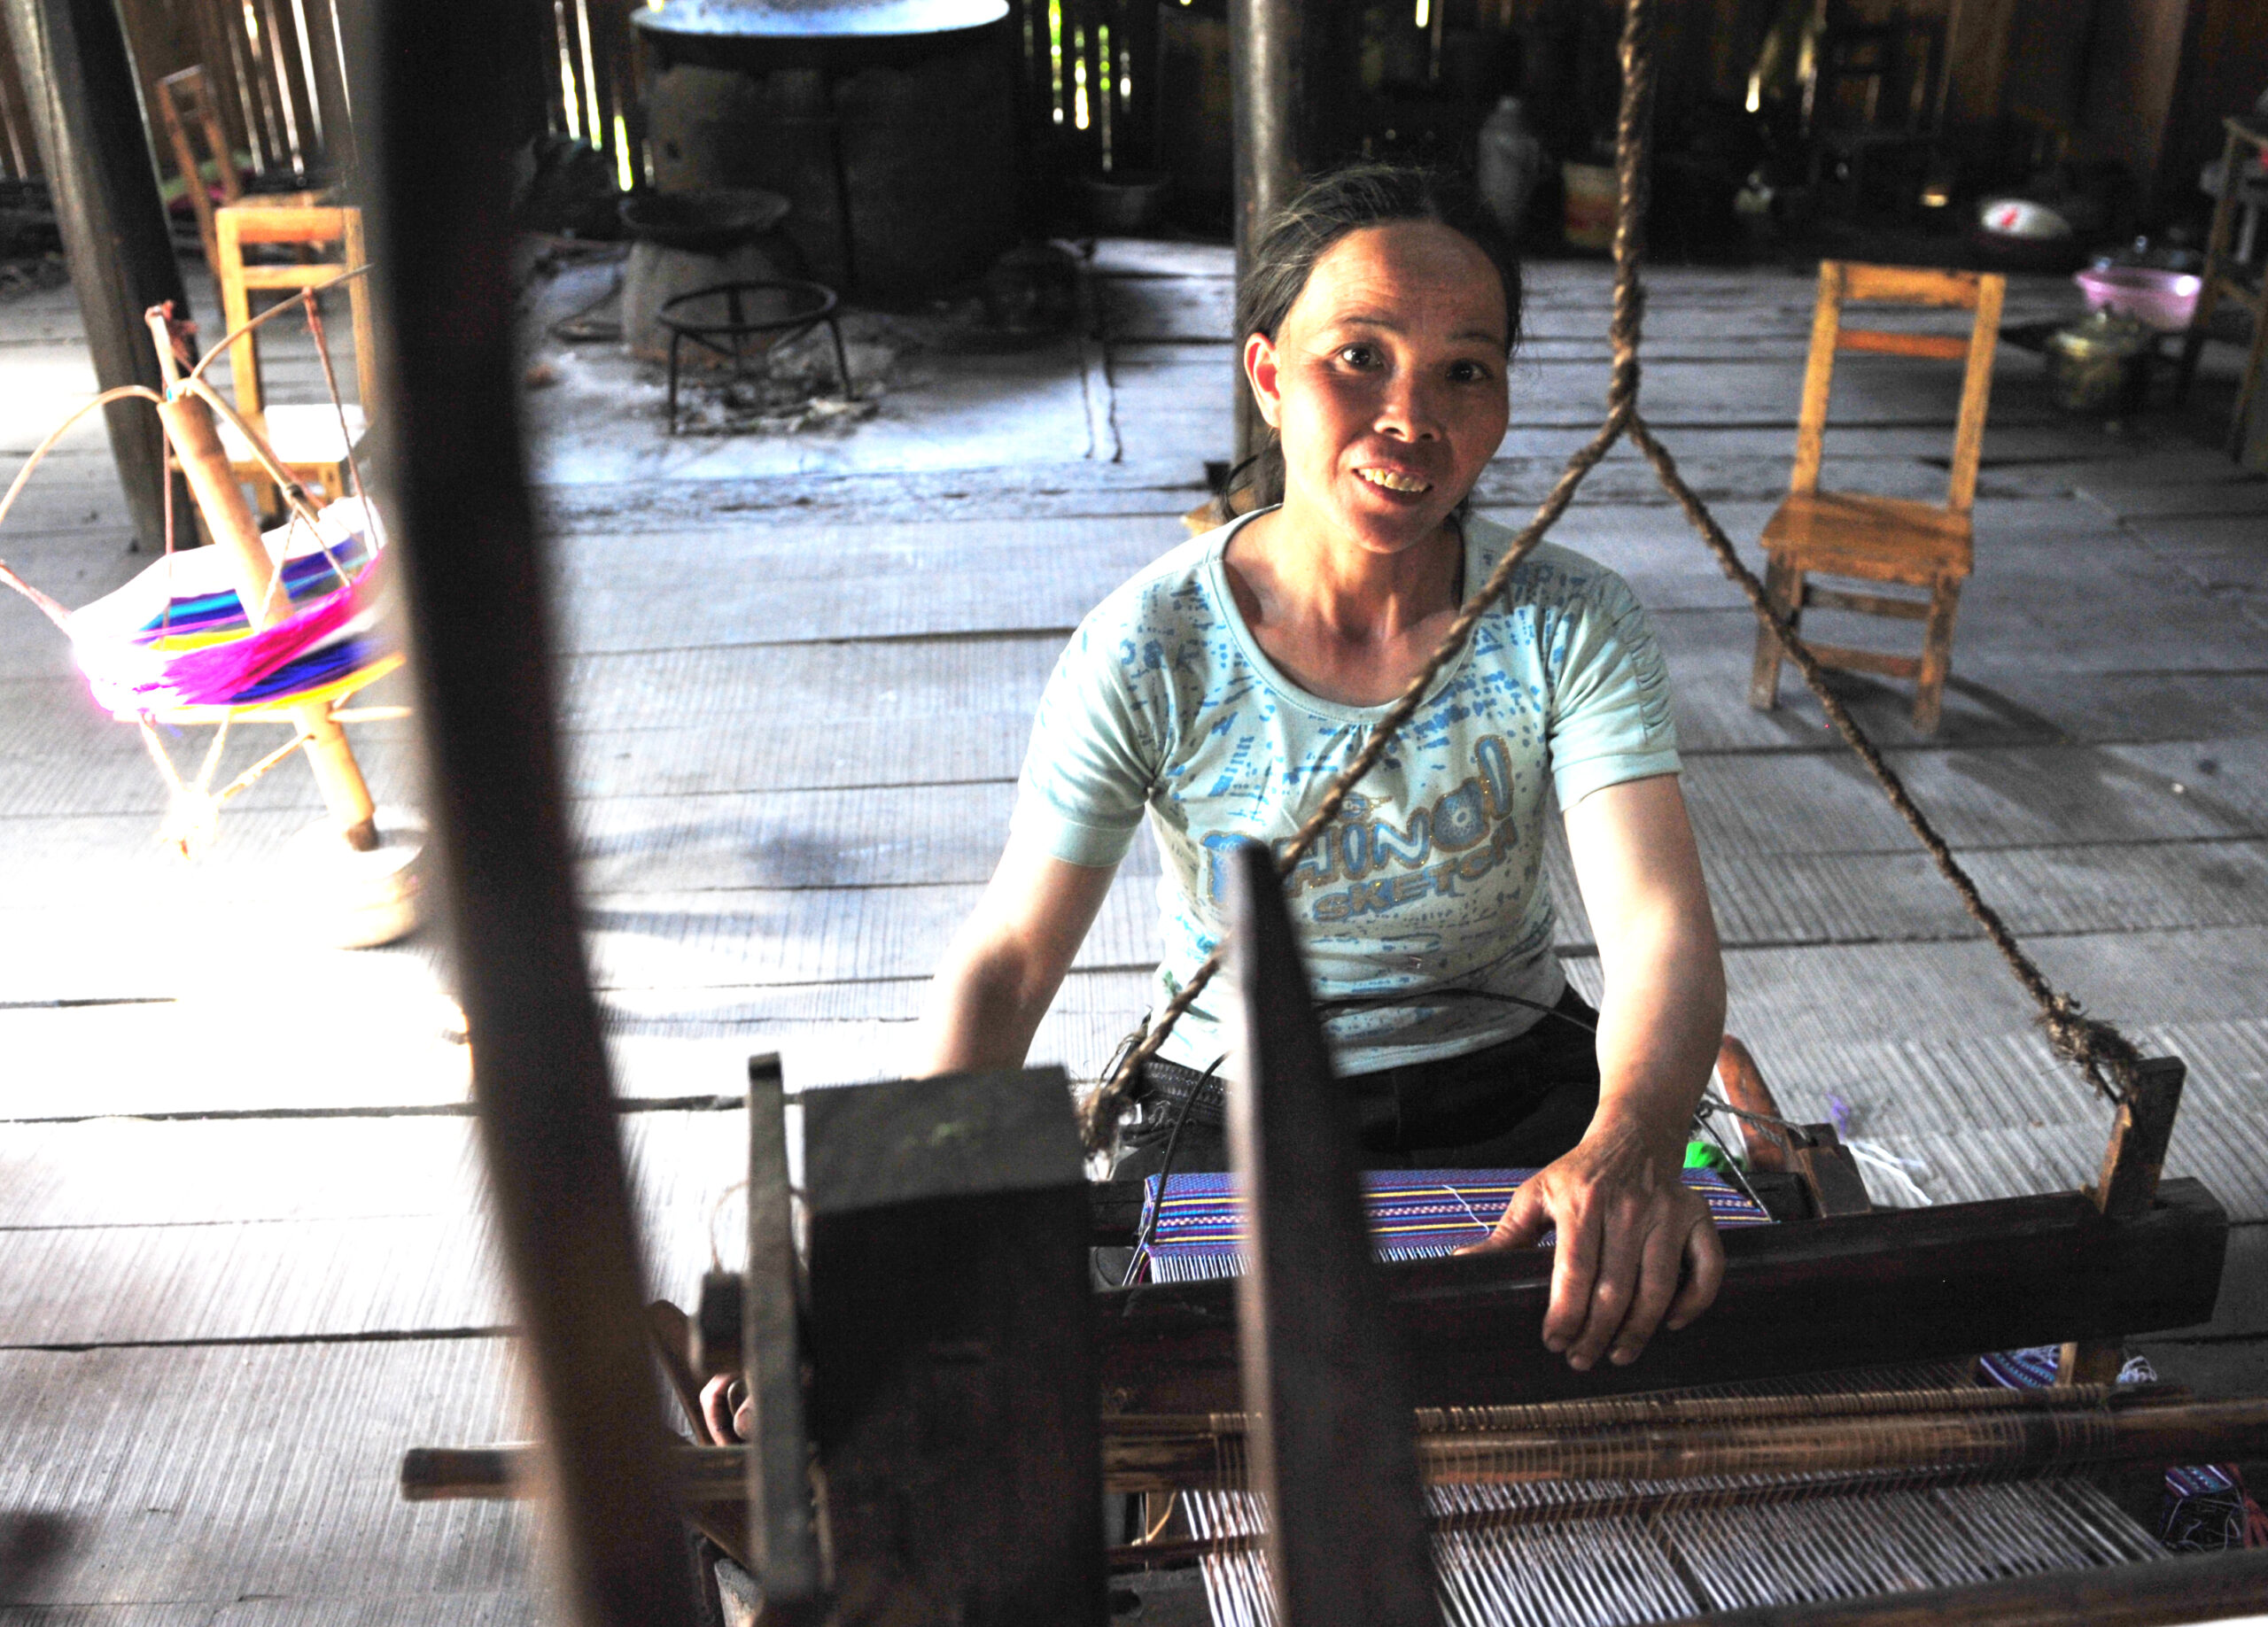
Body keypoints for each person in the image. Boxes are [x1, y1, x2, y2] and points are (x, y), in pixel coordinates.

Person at [913, 163, 1728, 1376]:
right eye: (1361, 356)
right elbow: (1009, 957)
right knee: (1203, 1393)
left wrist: (1633, 1141)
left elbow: (1656, 923)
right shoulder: (1152, 646)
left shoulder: (1567, 621)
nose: (1413, 416)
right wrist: (897, 1227)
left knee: (1620, 1341)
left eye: (1467, 370)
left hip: (1509, 1078)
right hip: (1238, 1105)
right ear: (1269, 375)